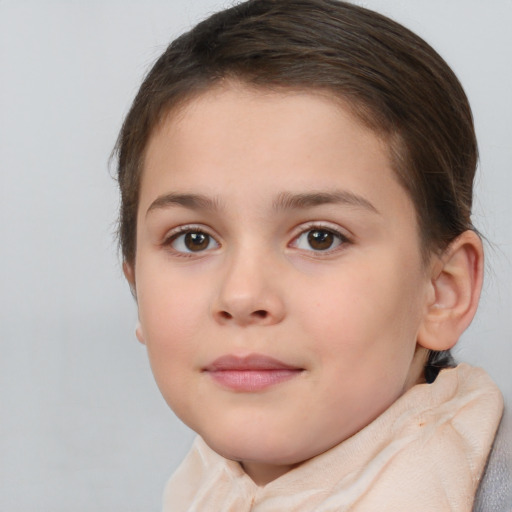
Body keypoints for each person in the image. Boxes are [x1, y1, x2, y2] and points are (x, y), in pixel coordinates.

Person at [114, 0, 504, 509]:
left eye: (321, 238)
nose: (242, 295)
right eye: (194, 239)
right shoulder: (200, 491)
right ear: (135, 285)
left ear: (442, 291)